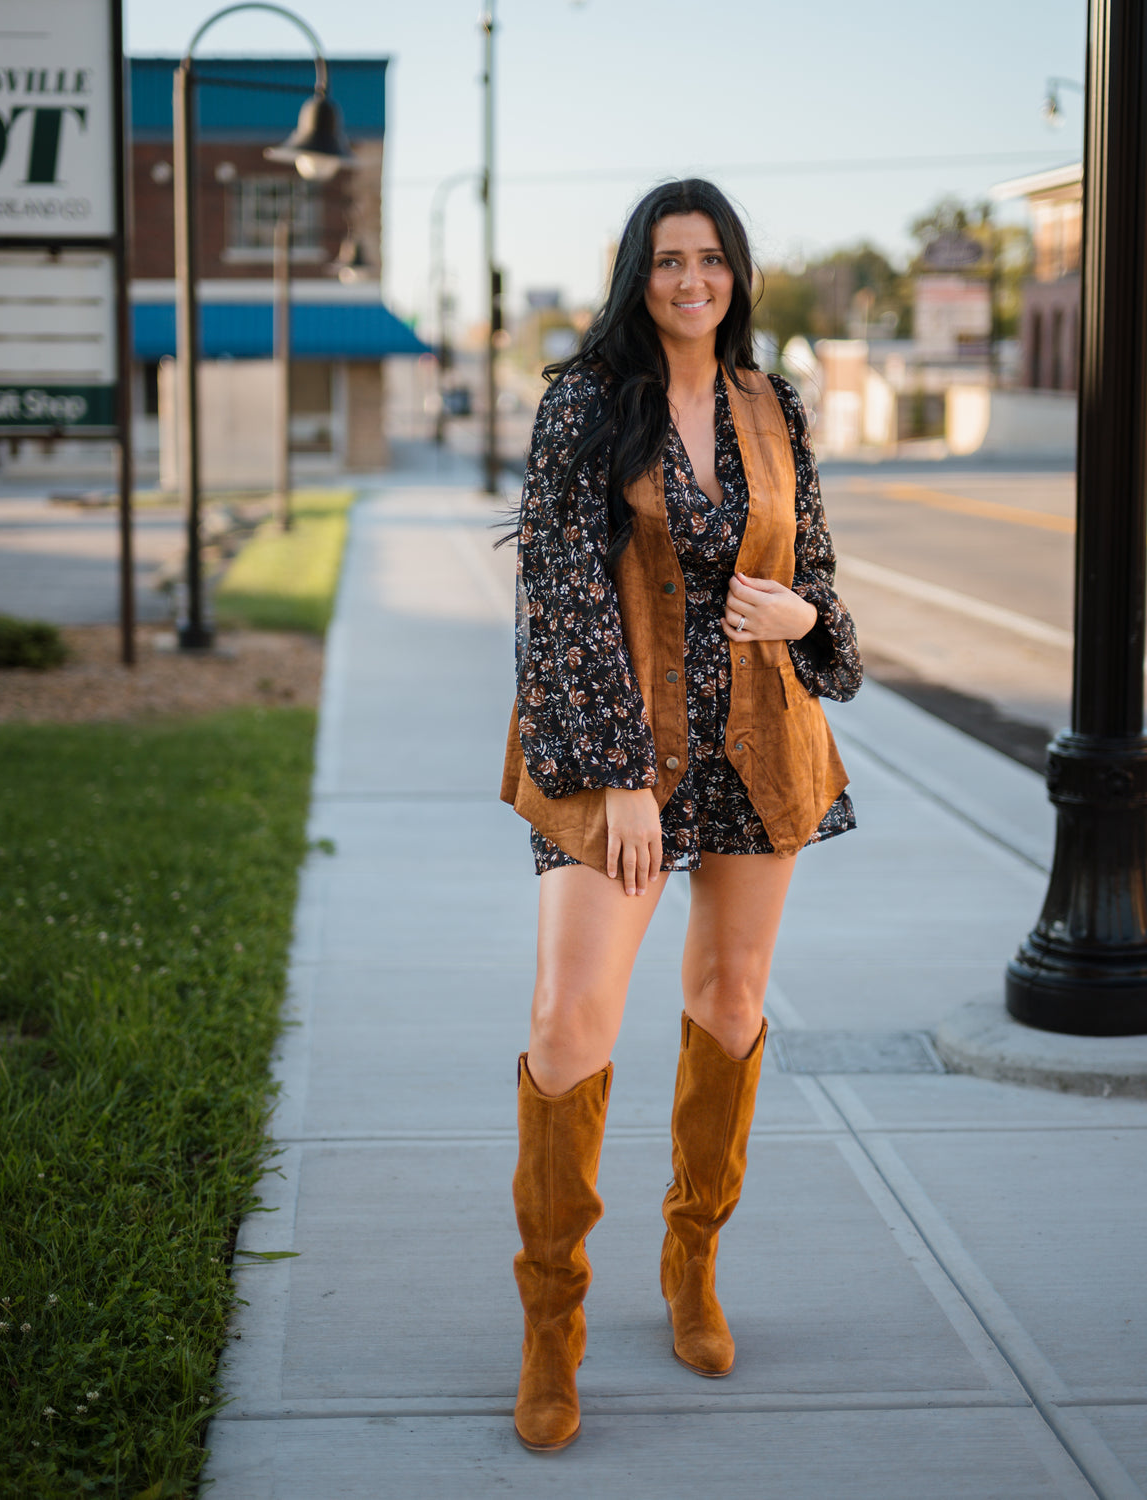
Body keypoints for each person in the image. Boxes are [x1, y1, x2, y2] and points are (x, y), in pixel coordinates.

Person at [499, 178, 862, 1452]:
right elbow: (559, 591)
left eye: (711, 259)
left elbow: (814, 572)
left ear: (737, 274)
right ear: (636, 275)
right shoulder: (585, 402)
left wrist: (807, 617)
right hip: (619, 750)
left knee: (731, 1000)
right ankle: (552, 1326)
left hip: (759, 739)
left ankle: (692, 1262)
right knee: (569, 1020)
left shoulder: (774, 405)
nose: (691, 280)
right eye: (668, 260)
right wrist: (619, 778)